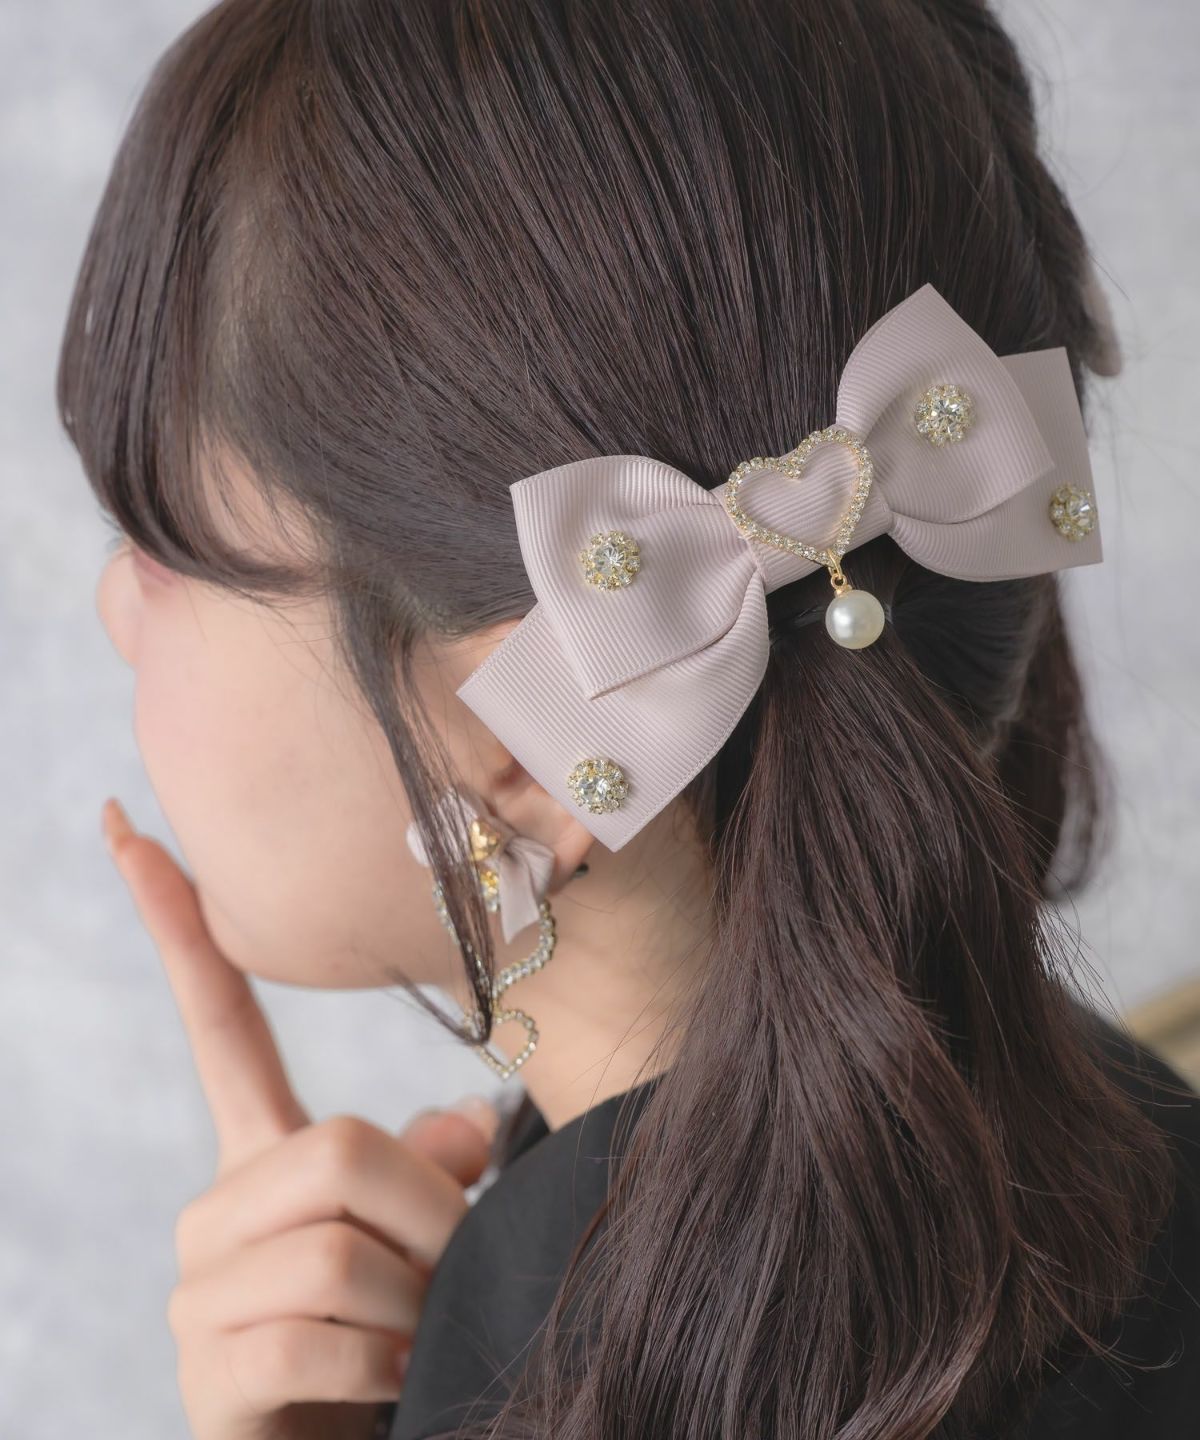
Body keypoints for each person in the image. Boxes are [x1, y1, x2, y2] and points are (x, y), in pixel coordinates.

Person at [64, 1, 1198, 1437]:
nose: (113, 608)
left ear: (535, 743)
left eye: (162, 550)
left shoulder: (535, 1356)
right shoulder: (1132, 1153)